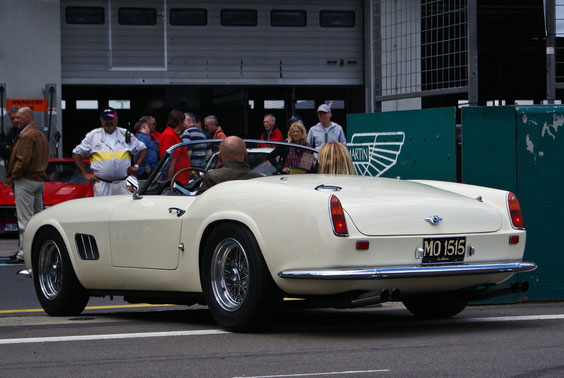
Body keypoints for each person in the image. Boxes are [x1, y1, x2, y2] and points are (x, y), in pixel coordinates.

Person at [5, 107, 49, 264]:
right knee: (38, 219)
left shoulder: (26, 135)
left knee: (25, 221)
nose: (16, 120)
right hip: (38, 180)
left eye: (19, 117)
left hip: (25, 180)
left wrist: (12, 176)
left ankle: (24, 253)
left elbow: (22, 160)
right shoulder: (40, 135)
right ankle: (37, 251)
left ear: (28, 118)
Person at [72, 107, 147, 196]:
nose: (108, 121)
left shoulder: (125, 134)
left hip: (123, 183)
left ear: (116, 119)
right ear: (101, 120)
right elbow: (76, 153)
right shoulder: (93, 136)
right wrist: (85, 173)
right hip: (102, 185)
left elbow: (143, 149)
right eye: (105, 119)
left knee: (124, 208)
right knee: (103, 209)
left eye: (111, 118)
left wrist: (136, 165)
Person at [159, 109, 191, 183]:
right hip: (177, 179)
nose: (184, 123)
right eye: (183, 120)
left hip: (180, 177)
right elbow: (170, 161)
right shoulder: (170, 135)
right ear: (180, 121)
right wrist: (169, 183)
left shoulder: (173, 135)